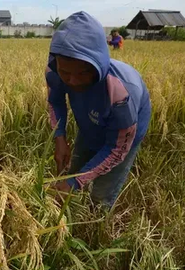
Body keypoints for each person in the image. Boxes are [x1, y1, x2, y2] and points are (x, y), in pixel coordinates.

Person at [45, 11, 151, 207]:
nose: (73, 81)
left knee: (102, 193)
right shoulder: (54, 71)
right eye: (65, 72)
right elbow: (56, 101)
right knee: (75, 169)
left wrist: (75, 182)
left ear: (99, 64)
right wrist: (59, 138)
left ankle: (97, 223)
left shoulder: (121, 94)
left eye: (84, 72)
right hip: (90, 122)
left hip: (123, 135)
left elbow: (116, 149)